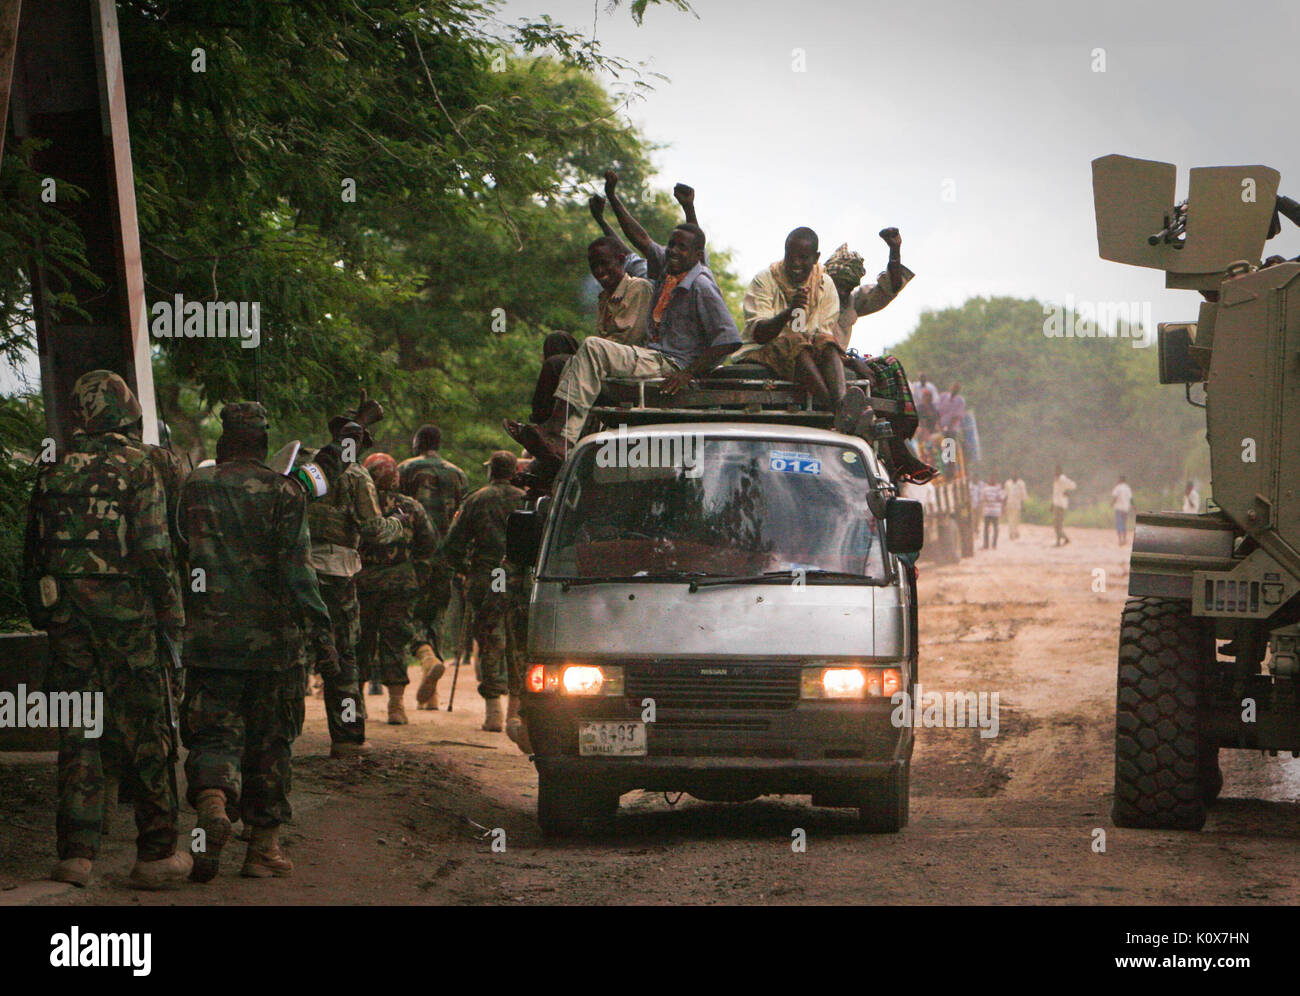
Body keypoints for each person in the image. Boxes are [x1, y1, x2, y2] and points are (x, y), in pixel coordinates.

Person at [22, 370, 190, 889]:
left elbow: (30, 561)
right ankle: (156, 855)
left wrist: (47, 616)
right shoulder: (140, 466)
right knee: (148, 730)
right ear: (127, 410)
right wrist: (172, 618)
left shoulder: (52, 471)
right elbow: (157, 551)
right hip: (130, 621)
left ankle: (76, 855)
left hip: (69, 622)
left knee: (79, 732)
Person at [178, 402, 338, 881]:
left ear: (225, 440)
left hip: (207, 640)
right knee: (270, 744)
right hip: (272, 646)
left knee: (212, 732)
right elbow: (298, 571)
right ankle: (263, 850)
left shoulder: (192, 488)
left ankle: (213, 802)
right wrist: (322, 633)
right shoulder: (284, 491)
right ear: (264, 444)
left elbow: (174, 555)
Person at [504, 170, 740, 459]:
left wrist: (688, 373)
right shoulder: (667, 272)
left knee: (593, 347)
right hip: (652, 356)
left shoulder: (700, 284)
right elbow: (634, 241)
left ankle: (560, 435)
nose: (673, 251)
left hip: (670, 363)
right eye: (671, 245)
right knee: (565, 348)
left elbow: (728, 339)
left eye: (682, 248)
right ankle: (547, 432)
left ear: (697, 254)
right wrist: (612, 200)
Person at [307, 400, 405, 755]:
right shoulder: (356, 475)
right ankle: (347, 739)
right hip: (337, 572)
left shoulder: (309, 467)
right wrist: (398, 523)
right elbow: (374, 530)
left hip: (301, 568)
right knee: (343, 656)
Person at [737, 226, 862, 425]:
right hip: (763, 350)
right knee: (795, 342)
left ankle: (841, 404)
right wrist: (789, 312)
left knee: (827, 343)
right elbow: (760, 334)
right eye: (791, 256)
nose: (795, 264)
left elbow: (823, 334)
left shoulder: (825, 284)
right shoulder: (764, 280)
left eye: (803, 258)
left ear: (816, 257)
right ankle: (836, 410)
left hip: (805, 349)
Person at [439, 452, 526, 734]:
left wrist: (466, 569)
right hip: (519, 579)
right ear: (514, 471)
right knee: (518, 643)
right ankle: (517, 711)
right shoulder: (527, 499)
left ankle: (493, 713)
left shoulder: (476, 500)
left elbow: (452, 544)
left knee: (490, 641)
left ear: (492, 472)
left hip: (485, 577)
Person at [356, 453, 437, 725]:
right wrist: (418, 575)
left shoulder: (358, 504)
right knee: (395, 641)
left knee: (360, 641)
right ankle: (396, 707)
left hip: (361, 582)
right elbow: (428, 543)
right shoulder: (411, 507)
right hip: (400, 583)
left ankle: (356, 704)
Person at [397, 425, 469, 709]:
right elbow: (463, 519)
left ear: (418, 441)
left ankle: (424, 657)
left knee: (406, 614)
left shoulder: (404, 470)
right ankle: (433, 696)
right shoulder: (458, 474)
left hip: (411, 557)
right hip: (445, 558)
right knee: (435, 617)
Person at [824, 231, 915, 351]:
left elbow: (889, 289)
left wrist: (894, 250)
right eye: (839, 286)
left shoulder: (852, 302)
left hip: (838, 362)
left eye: (848, 288)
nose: (842, 293)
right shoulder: (812, 296)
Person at [589, 236, 654, 347]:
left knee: (589, 345)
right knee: (558, 339)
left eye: (604, 263)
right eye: (594, 266)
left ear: (621, 260)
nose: (599, 271)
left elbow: (627, 340)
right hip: (605, 353)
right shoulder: (604, 297)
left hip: (634, 358)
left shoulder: (639, 287)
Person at [1052, 465, 1077, 546]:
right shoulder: (1056, 479)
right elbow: (1055, 493)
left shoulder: (1063, 479)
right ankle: (1064, 539)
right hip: (1057, 503)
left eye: (1057, 470)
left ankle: (1060, 541)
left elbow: (1073, 485)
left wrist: (1066, 491)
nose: (1056, 472)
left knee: (1058, 525)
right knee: (1056, 524)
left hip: (1061, 504)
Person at [981, 474, 1006, 550]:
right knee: (994, 528)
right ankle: (992, 545)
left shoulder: (985, 489)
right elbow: (1002, 499)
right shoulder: (998, 489)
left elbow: (983, 499)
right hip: (993, 511)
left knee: (987, 529)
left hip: (989, 511)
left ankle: (987, 545)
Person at [1003, 472, 1029, 540]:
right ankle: (1011, 533)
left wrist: (1023, 505)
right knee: (1010, 519)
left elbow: (1023, 495)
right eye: (1012, 475)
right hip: (1009, 503)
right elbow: (1005, 494)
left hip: (1017, 504)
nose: (1014, 476)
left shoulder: (1021, 483)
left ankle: (1016, 532)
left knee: (1016, 519)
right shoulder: (1008, 483)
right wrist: (1003, 505)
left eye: (1015, 475)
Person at [1112, 475, 1134, 544]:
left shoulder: (1117, 488)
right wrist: (1134, 506)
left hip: (1118, 508)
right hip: (1125, 508)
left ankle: (1120, 540)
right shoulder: (1127, 488)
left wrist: (1112, 503)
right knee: (1124, 523)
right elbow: (1131, 498)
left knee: (1118, 523)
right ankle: (1124, 539)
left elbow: (1115, 497)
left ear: (1120, 480)